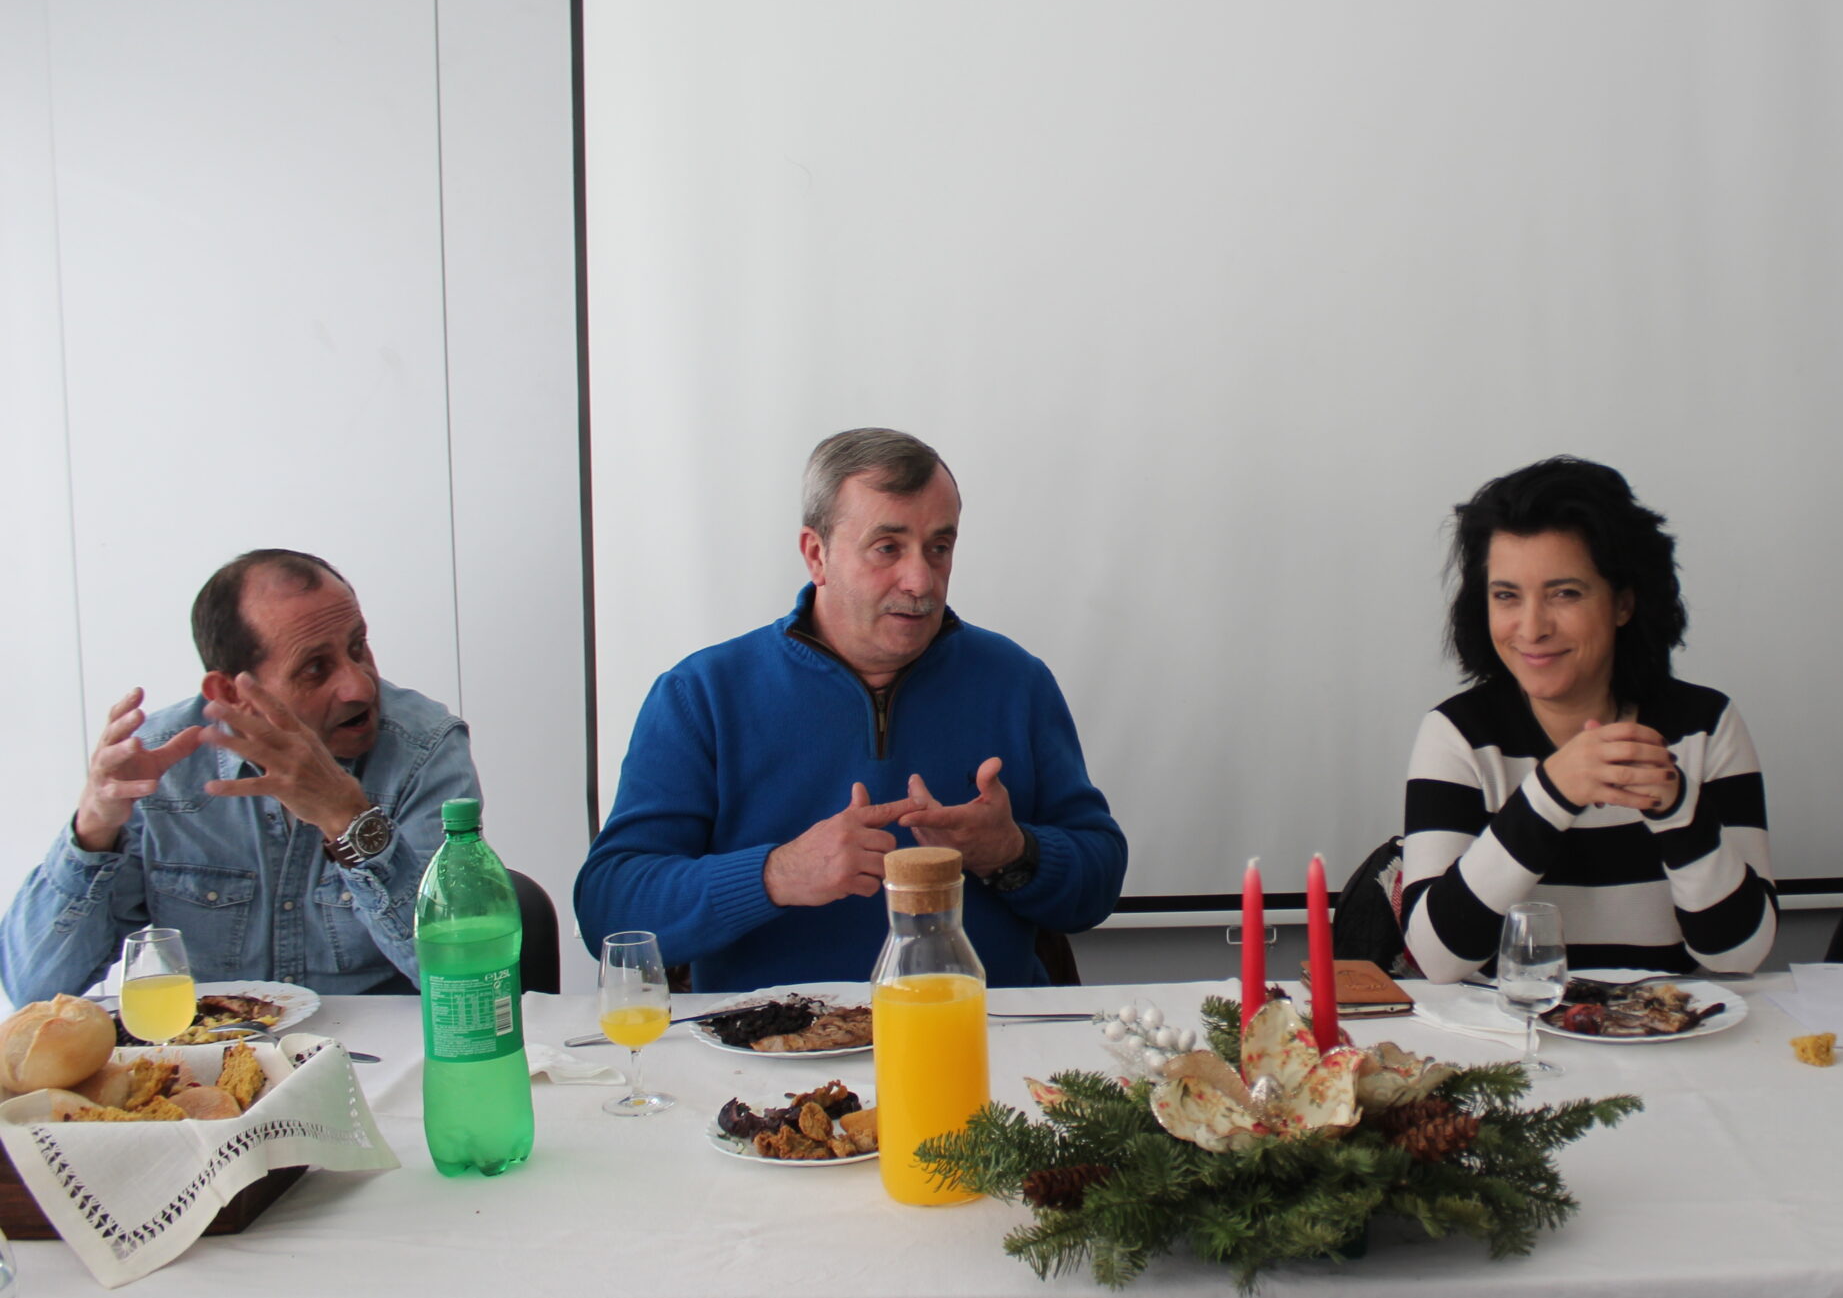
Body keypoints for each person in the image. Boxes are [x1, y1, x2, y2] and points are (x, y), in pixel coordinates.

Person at [574, 428, 1126, 992]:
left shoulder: (1017, 682)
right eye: (888, 548)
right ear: (817, 554)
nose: (920, 580)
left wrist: (1010, 852)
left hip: (981, 1029)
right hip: (768, 1038)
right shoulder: (702, 695)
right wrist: (776, 874)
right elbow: (609, 909)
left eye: (939, 548)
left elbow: (1099, 881)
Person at [0, 550, 478, 1002]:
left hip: (379, 1056)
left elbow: (464, 975)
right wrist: (93, 828)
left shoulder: (424, 748)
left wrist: (348, 820)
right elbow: (33, 988)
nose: (359, 685)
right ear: (231, 694)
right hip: (212, 1055)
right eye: (315, 668)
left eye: (358, 647)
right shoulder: (158, 766)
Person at [1399, 457, 1776, 982]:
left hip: (1669, 1023)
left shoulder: (1706, 726)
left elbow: (1740, 955)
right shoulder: (1457, 734)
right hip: (1511, 1029)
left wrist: (1676, 807)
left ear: (1623, 602)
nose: (1531, 628)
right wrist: (1551, 792)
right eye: (1506, 596)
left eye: (1565, 594)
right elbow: (1437, 958)